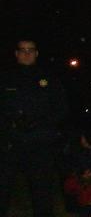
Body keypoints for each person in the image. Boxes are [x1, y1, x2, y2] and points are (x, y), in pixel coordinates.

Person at [1, 39, 68, 217]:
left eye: (31, 50)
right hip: (11, 142)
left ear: (37, 53)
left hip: (40, 142)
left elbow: (61, 108)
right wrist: (10, 122)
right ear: (16, 53)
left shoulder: (49, 78)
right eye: (22, 50)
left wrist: (39, 122)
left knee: (42, 192)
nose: (27, 53)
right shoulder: (6, 77)